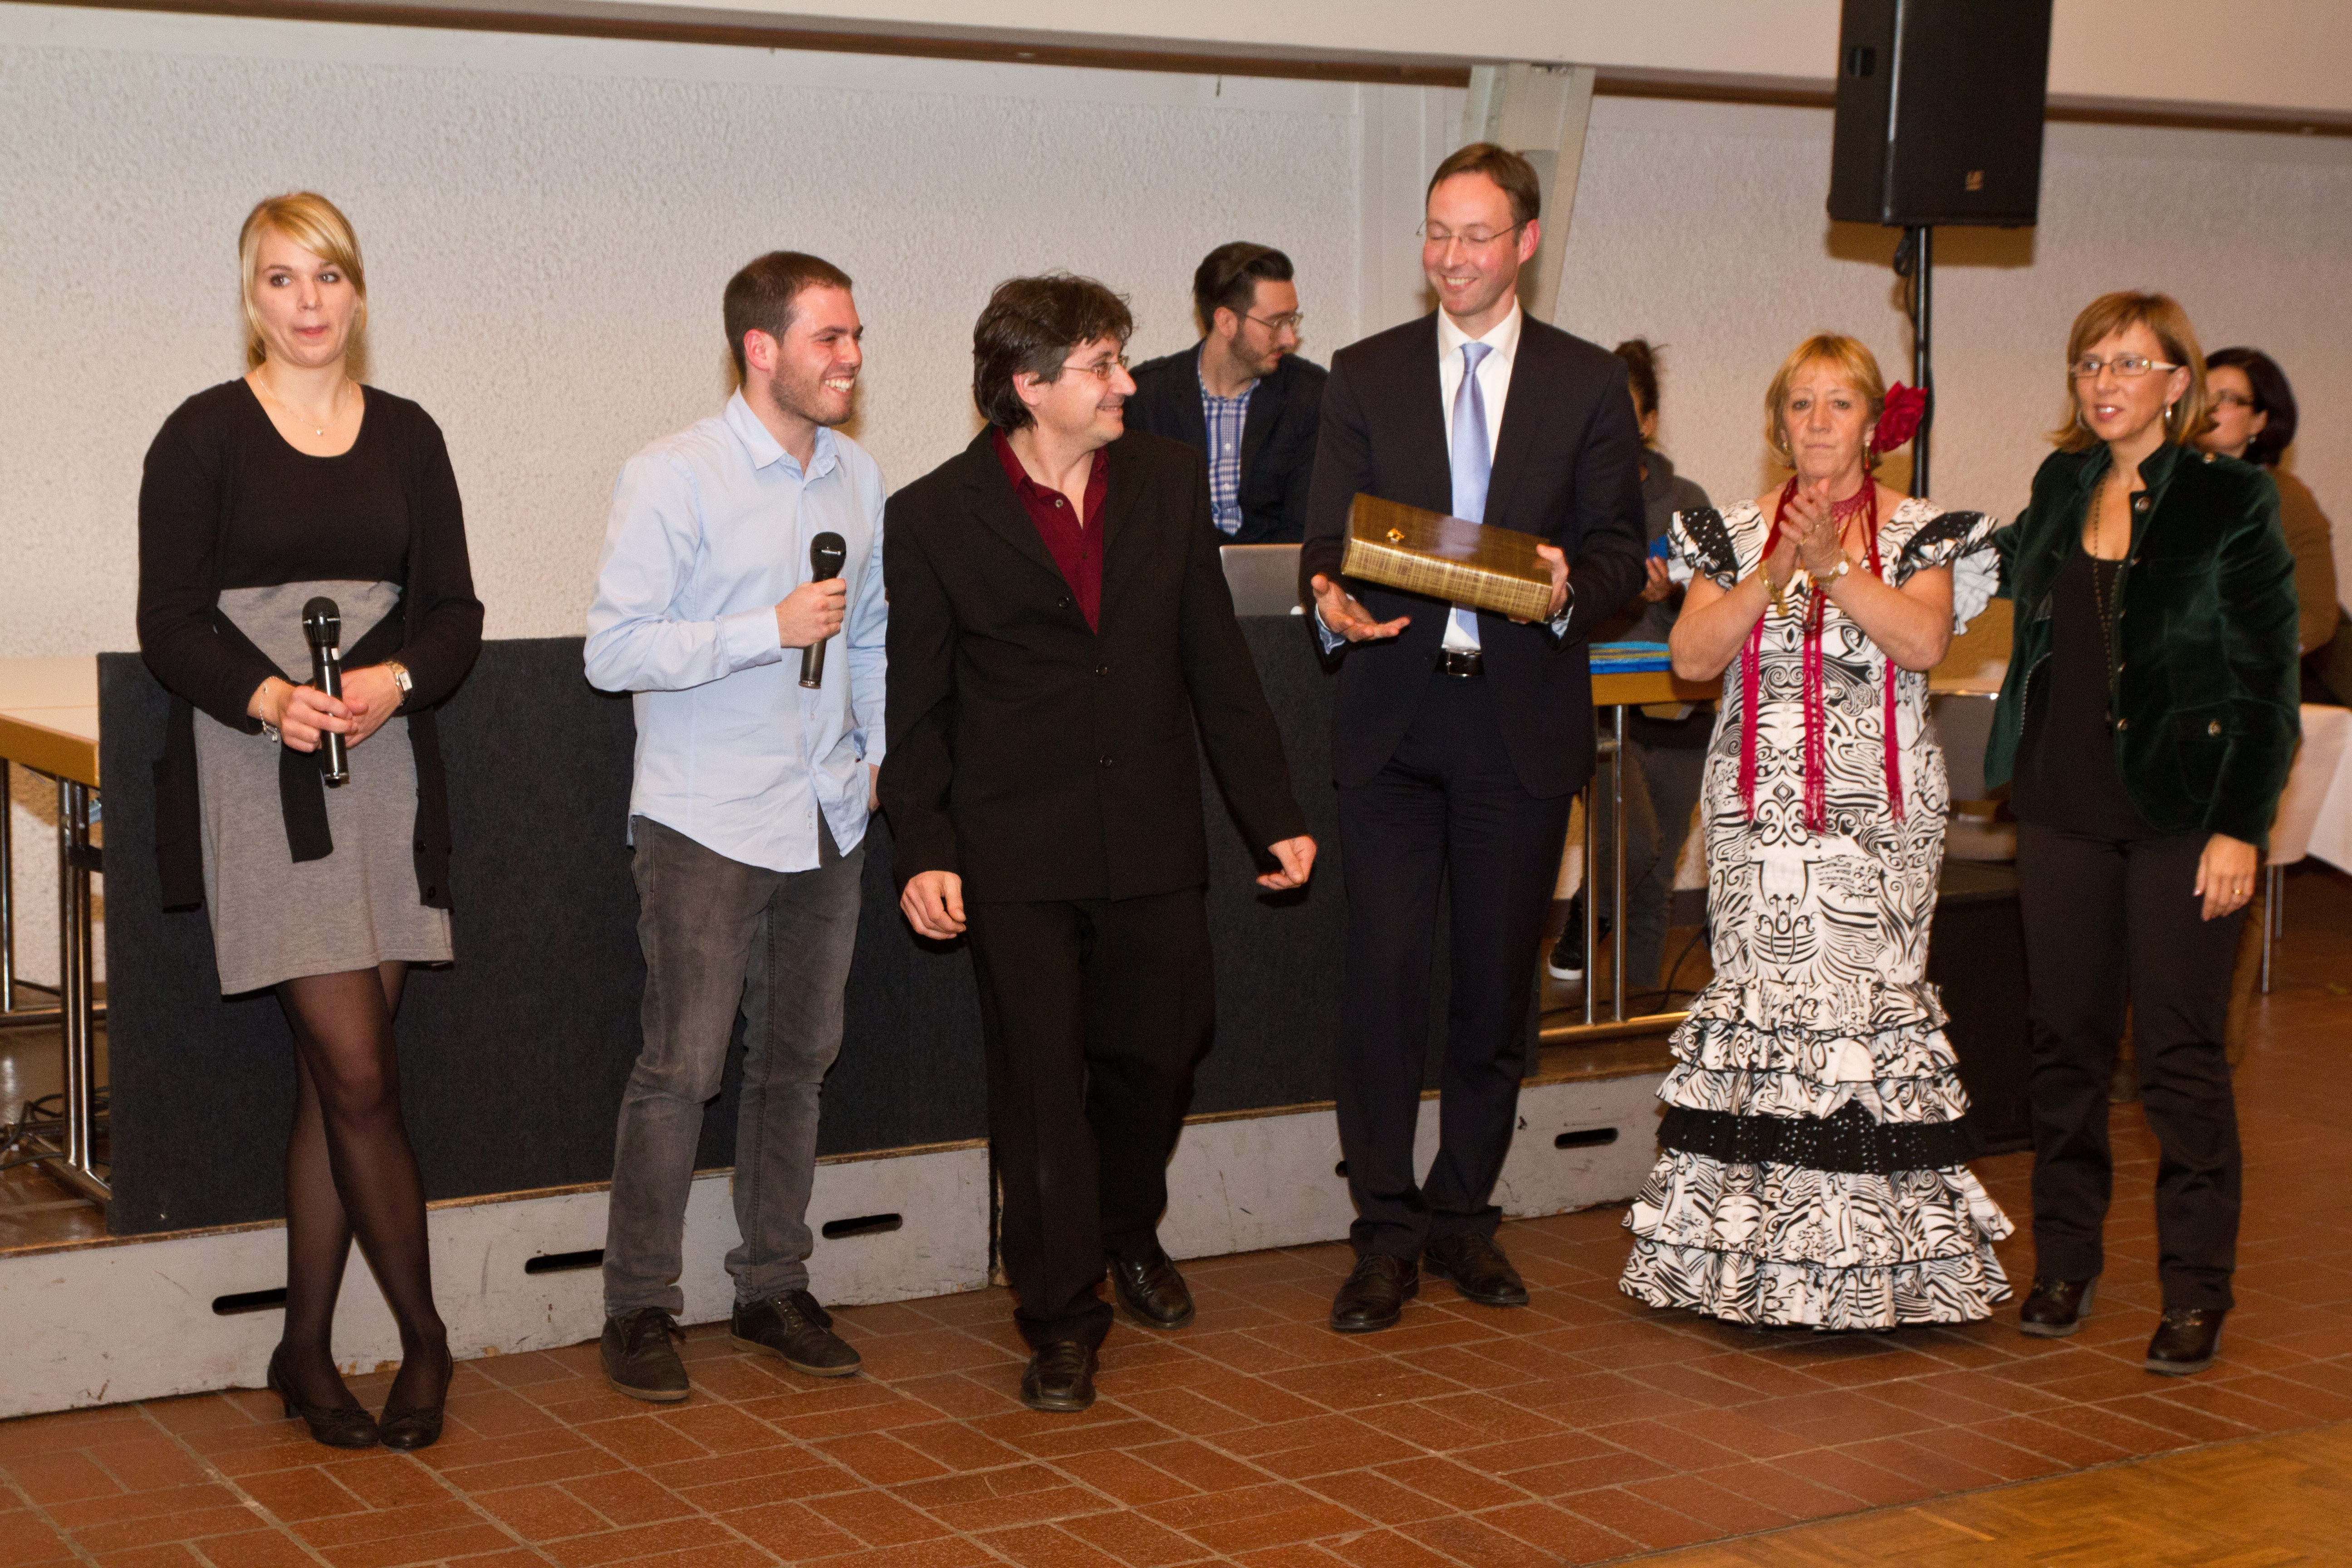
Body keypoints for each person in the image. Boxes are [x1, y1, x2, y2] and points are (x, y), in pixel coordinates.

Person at [883, 274, 1314, 1412]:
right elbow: (916, 708)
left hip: (1151, 836)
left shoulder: (1165, 483)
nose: (1127, 382)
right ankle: (1061, 1311)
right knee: (1038, 1087)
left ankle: (1126, 1227)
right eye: (1102, 364)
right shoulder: (931, 516)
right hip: (1014, 851)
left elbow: (1216, 662)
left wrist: (1272, 812)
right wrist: (923, 846)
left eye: (1121, 359)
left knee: (1164, 1048)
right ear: (1030, 386)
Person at [137, 192, 482, 1449]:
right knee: (359, 1072)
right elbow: (168, 622)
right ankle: (429, 1339)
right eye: (283, 278)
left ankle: (301, 1346)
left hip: (382, 767)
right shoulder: (202, 435)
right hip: (257, 765)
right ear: (253, 296)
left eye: (328, 275)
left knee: (332, 1085)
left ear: (357, 290)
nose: (309, 302)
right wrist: (271, 696)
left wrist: (394, 682)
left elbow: (455, 615)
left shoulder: (410, 435)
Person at [1300, 143, 1647, 1333]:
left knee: (1495, 993)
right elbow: (1328, 542)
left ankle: (1462, 1217)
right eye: (1437, 233)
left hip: (1518, 726)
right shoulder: (1364, 374)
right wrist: (1328, 601)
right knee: (1383, 987)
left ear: (1526, 243)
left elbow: (1619, 557)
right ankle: (1384, 1234)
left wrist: (1566, 587)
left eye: (1477, 235)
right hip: (1394, 721)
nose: (1451, 257)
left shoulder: (1587, 383)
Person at [1617, 333, 2013, 1330]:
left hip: (1879, 826)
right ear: (1778, 423)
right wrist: (1773, 571)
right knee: (1766, 1022)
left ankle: (1877, 1271)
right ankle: (1752, 1264)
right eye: (1801, 404)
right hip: (1758, 824)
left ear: (1872, 424)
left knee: (1866, 1027)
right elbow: (1691, 658)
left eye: (1839, 403)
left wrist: (1834, 570)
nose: (1819, 422)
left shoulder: (1922, 530)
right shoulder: (1729, 530)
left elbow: (1923, 640)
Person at [583, 252, 886, 1402]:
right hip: (707, 816)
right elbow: (613, 650)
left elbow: (869, 631)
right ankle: (638, 1306)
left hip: (826, 809)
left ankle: (771, 1285)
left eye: (855, 336)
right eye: (829, 338)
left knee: (798, 1064)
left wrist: (875, 752)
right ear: (762, 349)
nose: (851, 358)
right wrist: (765, 627)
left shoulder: (856, 475)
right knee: (683, 1068)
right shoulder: (675, 475)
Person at [1987, 293, 2299, 1375]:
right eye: (2089, 362)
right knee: (2063, 1049)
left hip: (2183, 821)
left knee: (2177, 1059)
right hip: (2061, 809)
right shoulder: (2060, 484)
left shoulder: (2228, 500)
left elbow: (2266, 687)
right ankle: (2065, 1263)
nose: (2104, 381)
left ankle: (2196, 1289)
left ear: (2176, 383)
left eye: (2129, 362)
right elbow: (1993, 570)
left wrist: (2239, 828)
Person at [1549, 339, 1715, 994]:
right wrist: (1611, 589)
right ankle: (1584, 918)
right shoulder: (1564, 498)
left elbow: (1717, 614)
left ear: (1648, 422)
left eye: (1626, 412)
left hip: (1679, 706)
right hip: (1593, 707)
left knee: (1657, 875)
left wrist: (1672, 595)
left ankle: (1638, 1022)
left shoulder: (1688, 500)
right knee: (1636, 844)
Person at [1125, 243, 1323, 543]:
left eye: (1292, 320)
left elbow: (1305, 527)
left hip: (1274, 570)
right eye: (1276, 323)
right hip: (1179, 570)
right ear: (1227, 322)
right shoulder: (1146, 397)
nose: (1290, 338)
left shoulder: (1310, 394)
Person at [2199, 348, 2337, 662]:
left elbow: (2317, 615)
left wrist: (2245, 655)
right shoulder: (2163, 484)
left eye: (2227, 399)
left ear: (2258, 421)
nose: (2208, 409)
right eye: (2201, 396)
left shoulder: (2285, 498)